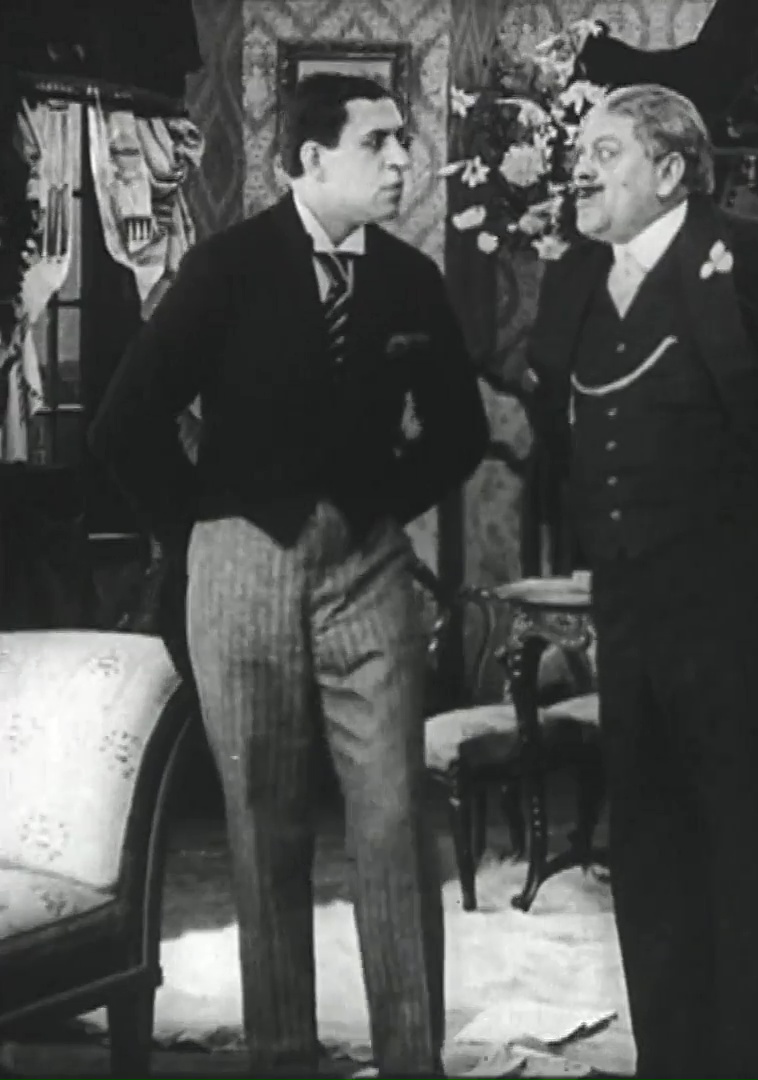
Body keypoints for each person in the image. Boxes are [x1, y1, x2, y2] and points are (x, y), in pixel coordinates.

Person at [89, 73, 489, 1074]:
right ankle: (281, 1054)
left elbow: (461, 432)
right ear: (311, 159)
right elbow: (124, 423)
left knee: (392, 817)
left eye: (404, 141)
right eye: (378, 142)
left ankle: (412, 1059)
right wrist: (205, 529)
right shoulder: (226, 269)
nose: (402, 161)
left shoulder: (409, 280)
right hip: (240, 566)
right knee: (265, 824)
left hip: (369, 570)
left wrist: (379, 506)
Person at [525, 83, 758, 1077]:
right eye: (582, 149)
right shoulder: (574, 278)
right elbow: (553, 418)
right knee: (647, 860)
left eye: (607, 150)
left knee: (740, 865)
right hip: (627, 618)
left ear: (670, 170)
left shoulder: (757, 258)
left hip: (739, 618)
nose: (582, 167)